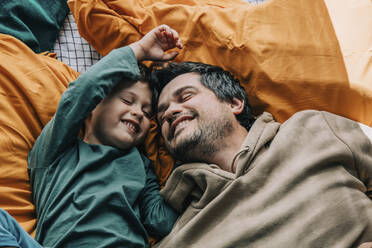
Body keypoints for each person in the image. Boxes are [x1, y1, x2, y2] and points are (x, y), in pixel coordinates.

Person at [150, 62, 372, 248]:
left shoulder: (312, 129)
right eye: (161, 117)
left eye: (185, 96)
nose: (169, 112)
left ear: (234, 103)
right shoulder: (179, 234)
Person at [0, 24, 182, 248]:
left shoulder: (141, 164)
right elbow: (82, 91)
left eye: (146, 112)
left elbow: (160, 220)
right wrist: (138, 50)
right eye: (127, 101)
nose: (138, 113)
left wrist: (188, 167)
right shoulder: (57, 151)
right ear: (93, 105)